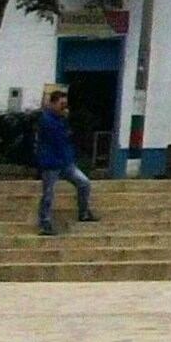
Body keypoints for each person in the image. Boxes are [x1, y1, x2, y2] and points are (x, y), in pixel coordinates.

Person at [33, 86, 97, 235]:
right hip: (51, 162)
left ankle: (84, 212)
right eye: (61, 104)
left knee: (84, 183)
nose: (64, 107)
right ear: (53, 103)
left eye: (65, 104)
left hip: (65, 161)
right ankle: (45, 222)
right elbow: (56, 136)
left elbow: (68, 136)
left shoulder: (62, 119)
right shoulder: (47, 119)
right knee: (48, 193)